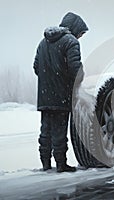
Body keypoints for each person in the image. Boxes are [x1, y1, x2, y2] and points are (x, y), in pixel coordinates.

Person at [33, 12, 88, 172]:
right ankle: (61, 164)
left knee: (46, 130)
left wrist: (48, 80)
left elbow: (36, 67)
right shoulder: (71, 42)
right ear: (75, 28)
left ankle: (45, 163)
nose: (80, 37)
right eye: (81, 33)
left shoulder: (43, 42)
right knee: (59, 130)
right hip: (62, 95)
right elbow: (75, 69)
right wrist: (77, 78)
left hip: (44, 96)